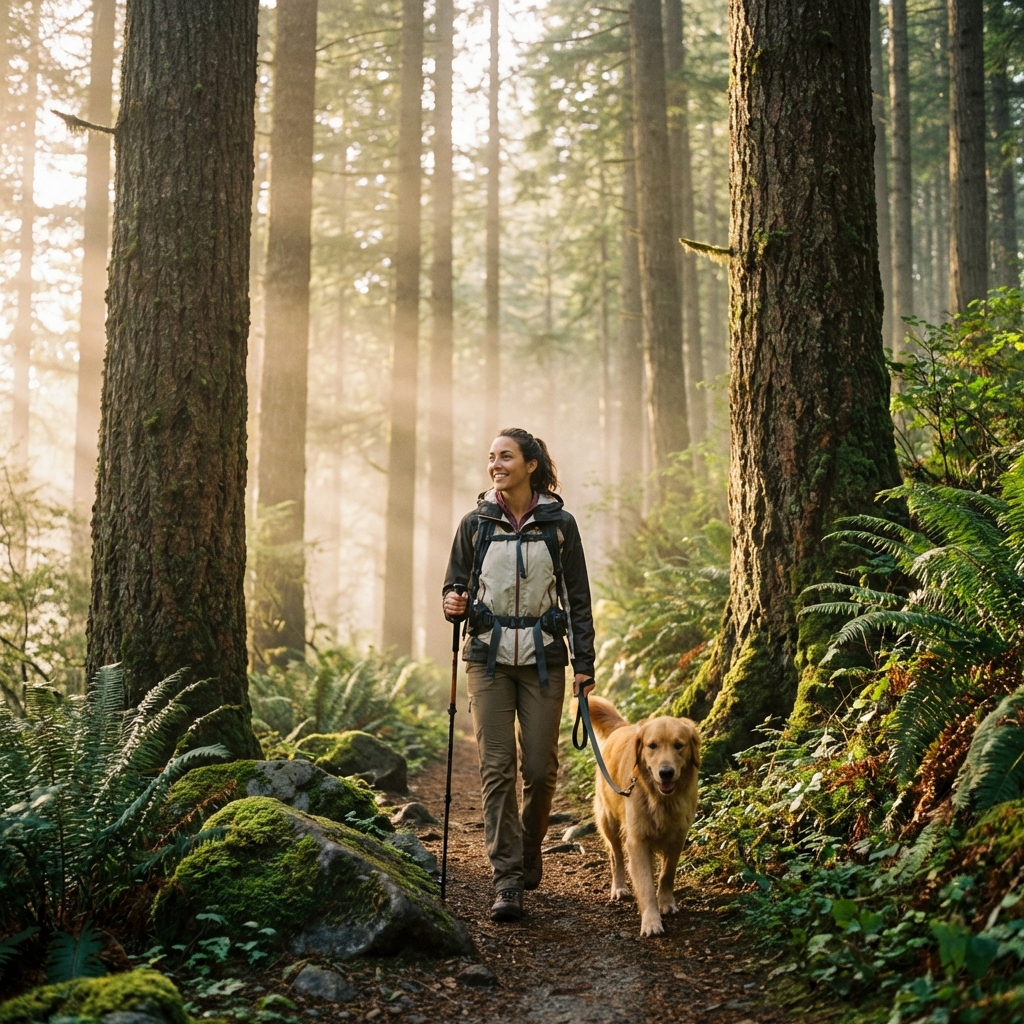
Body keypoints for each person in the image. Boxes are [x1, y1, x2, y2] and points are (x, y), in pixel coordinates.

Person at [442, 427, 595, 923]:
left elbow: (578, 599)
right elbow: (455, 585)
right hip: (486, 658)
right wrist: (452, 603)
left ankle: (530, 849)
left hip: (544, 659)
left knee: (539, 770)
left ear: (531, 464)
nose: (495, 464)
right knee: (497, 769)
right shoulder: (476, 523)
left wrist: (585, 666)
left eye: (505, 456)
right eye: (491, 457)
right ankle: (507, 880)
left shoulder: (560, 525)